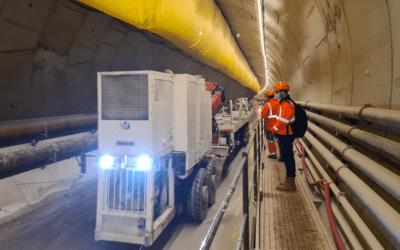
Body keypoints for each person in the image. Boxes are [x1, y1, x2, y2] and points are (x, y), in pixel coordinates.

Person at [273, 81, 296, 192]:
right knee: (287, 158)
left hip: (285, 134)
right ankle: (288, 180)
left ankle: (291, 183)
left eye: (278, 92)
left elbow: (283, 120)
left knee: (288, 158)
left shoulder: (287, 103)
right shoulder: (284, 103)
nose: (277, 93)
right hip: (284, 133)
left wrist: (274, 129)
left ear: (283, 92)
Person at [260, 89, 279, 159]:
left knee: (271, 140)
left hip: (270, 126)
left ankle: (273, 154)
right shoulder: (279, 103)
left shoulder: (267, 105)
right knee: (279, 140)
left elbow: (263, 116)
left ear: (267, 97)